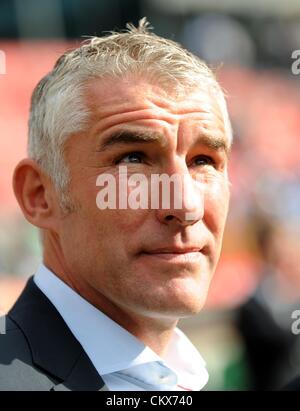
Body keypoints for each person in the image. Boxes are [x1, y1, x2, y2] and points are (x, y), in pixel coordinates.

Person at [0, 19, 232, 391]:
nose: (185, 204)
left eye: (203, 161)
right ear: (40, 196)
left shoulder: (185, 375)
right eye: (133, 160)